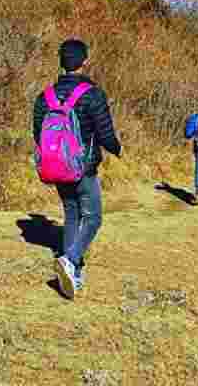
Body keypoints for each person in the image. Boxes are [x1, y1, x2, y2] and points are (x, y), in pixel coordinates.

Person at [32, 39, 121, 299]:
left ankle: (74, 274)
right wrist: (117, 149)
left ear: (61, 63)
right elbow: (105, 134)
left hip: (55, 166)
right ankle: (69, 260)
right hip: (83, 168)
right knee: (93, 218)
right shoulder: (92, 94)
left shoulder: (44, 97)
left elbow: (38, 133)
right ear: (84, 61)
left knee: (71, 214)